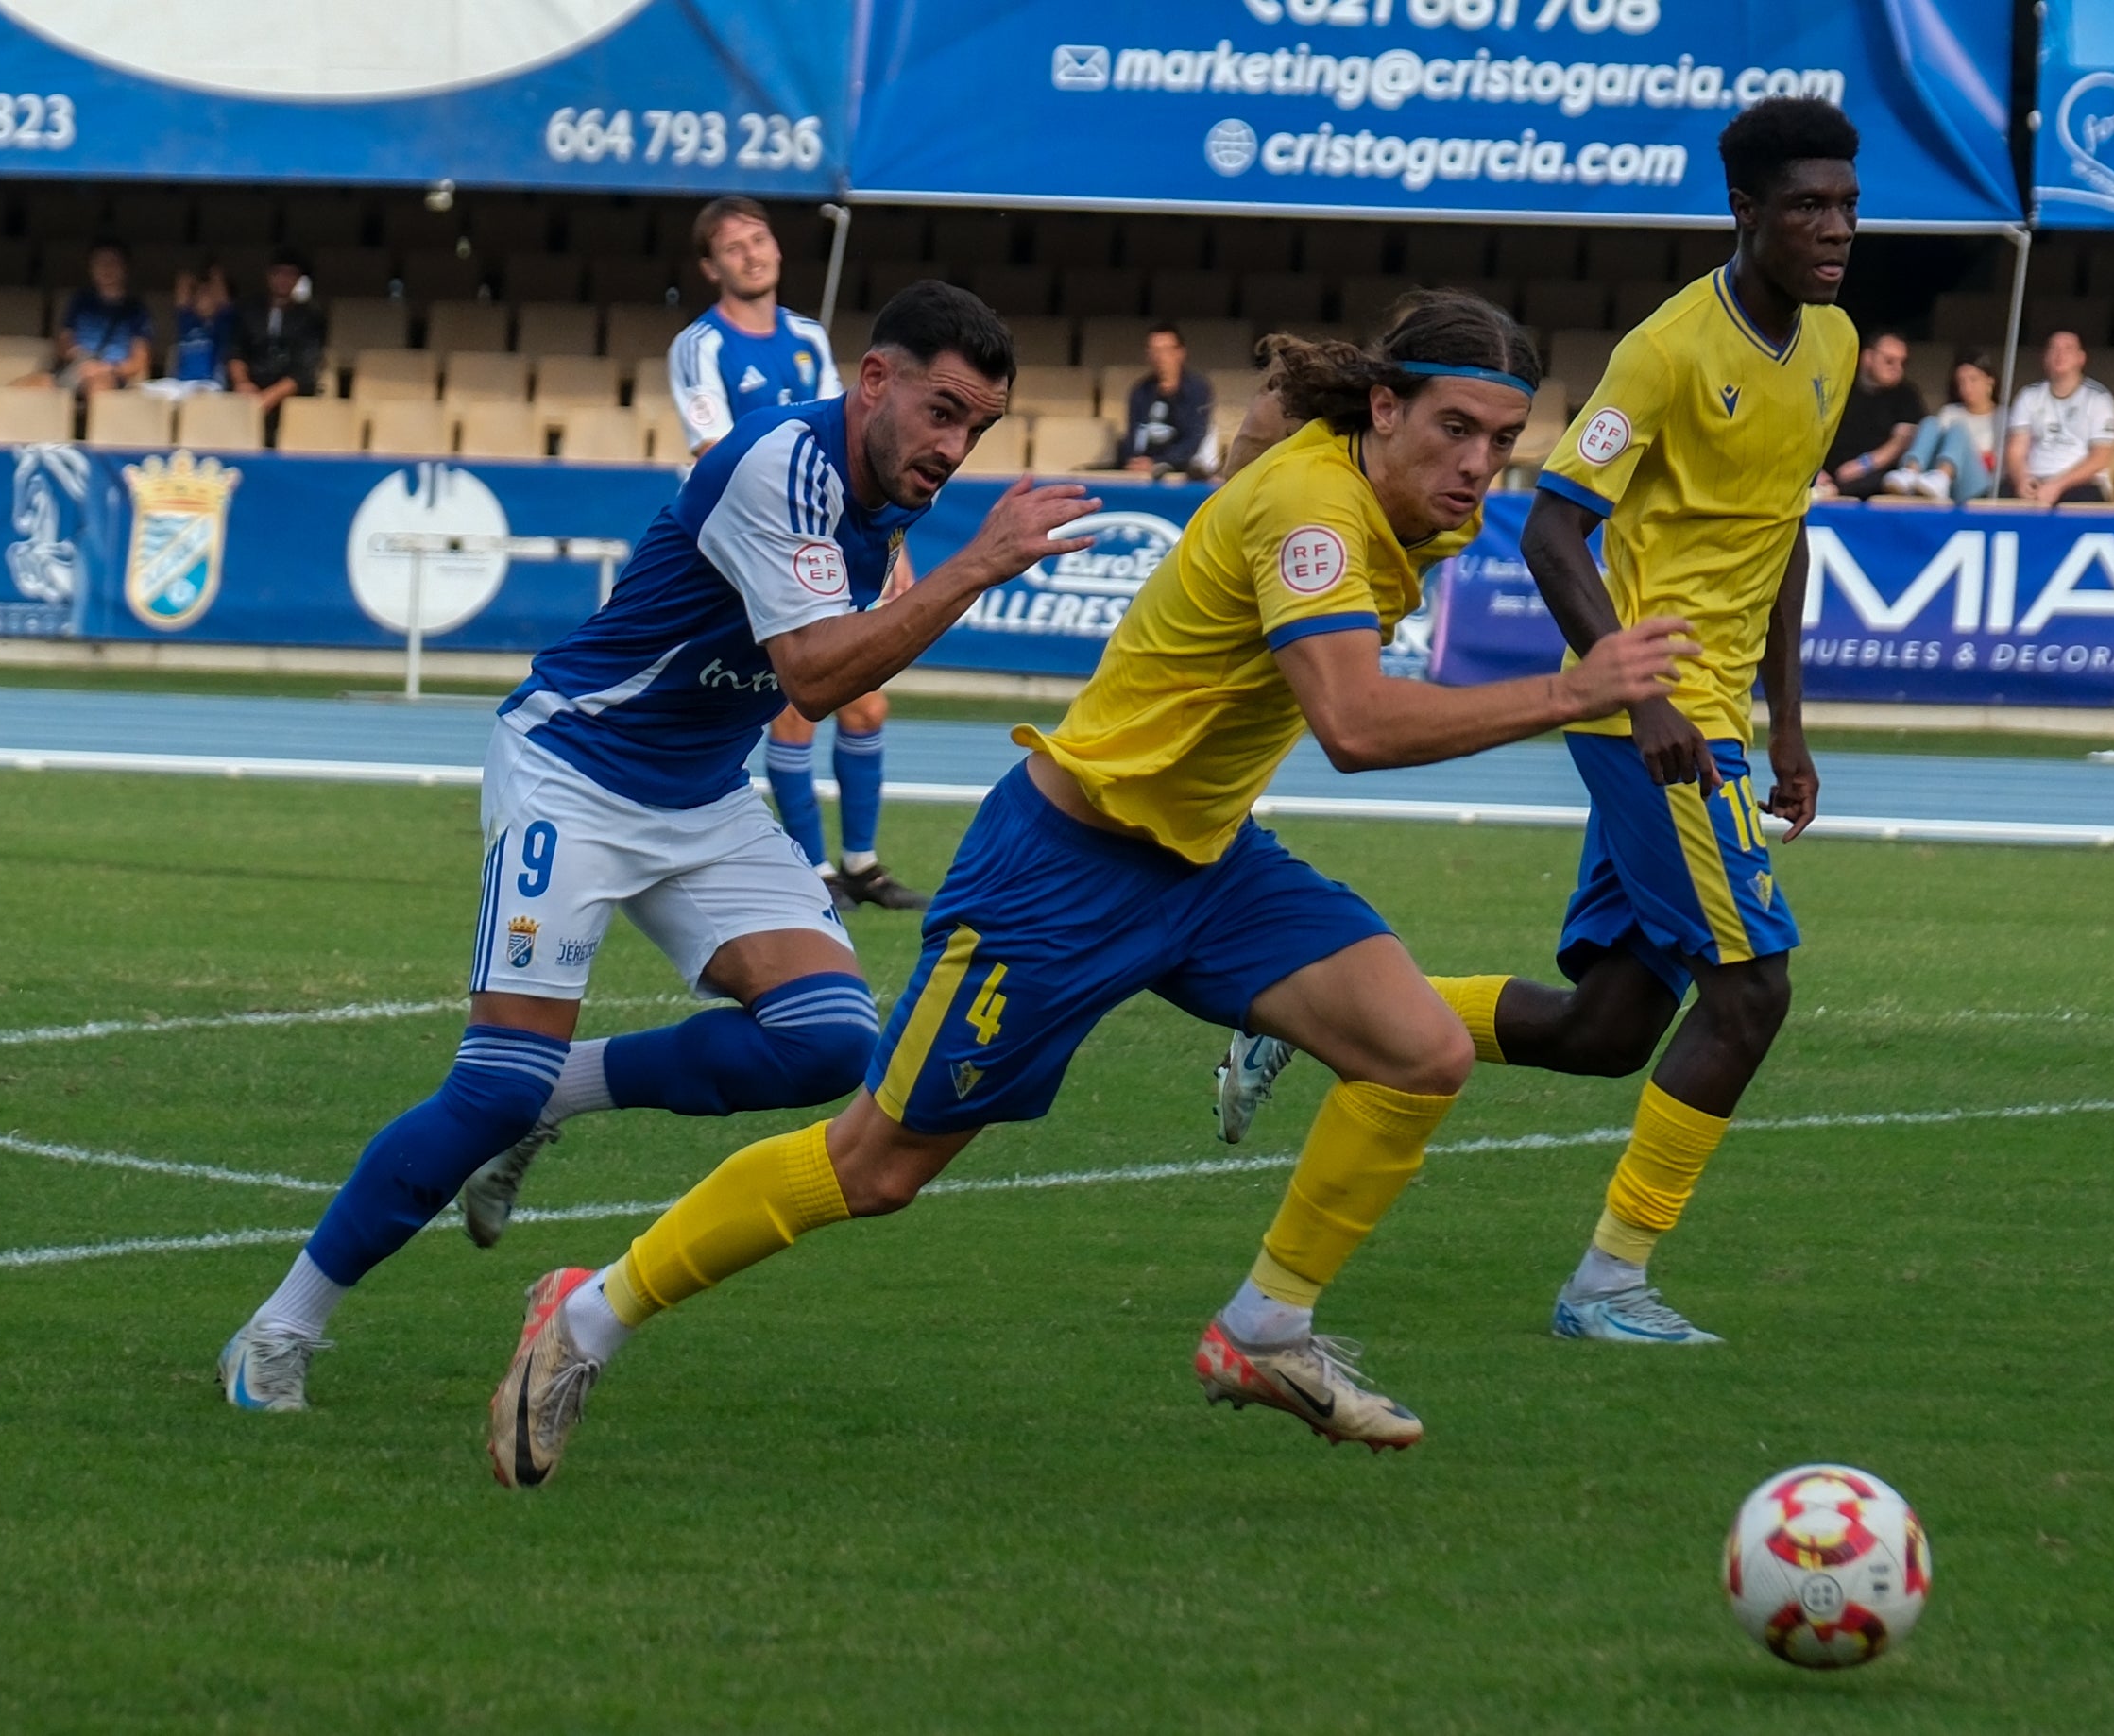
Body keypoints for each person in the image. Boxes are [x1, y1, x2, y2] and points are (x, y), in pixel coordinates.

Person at [479, 291, 1699, 1487]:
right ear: (1381, 410)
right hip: (1061, 870)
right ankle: (582, 1315)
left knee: (1417, 1050)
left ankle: (1263, 1329)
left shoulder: (1377, 484)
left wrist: (1258, 438)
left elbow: (1265, 444)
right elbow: (1355, 724)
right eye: (1454, 431)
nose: (1479, 465)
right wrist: (1571, 688)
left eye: (1501, 440)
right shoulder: (1318, 514)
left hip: (1205, 860)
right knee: (874, 1169)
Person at [217, 282, 1099, 1412]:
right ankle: (278, 1329)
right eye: (941, 411)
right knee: (489, 1083)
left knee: (830, 1040)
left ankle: (554, 1098)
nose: (953, 445)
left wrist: (944, 566)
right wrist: (977, 565)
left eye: (976, 427)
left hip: (700, 795)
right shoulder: (780, 463)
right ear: (873, 379)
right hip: (573, 773)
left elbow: (831, 664)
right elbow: (818, 678)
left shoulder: (886, 492)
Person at [1216, 97, 1858, 1351]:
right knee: (1748, 996)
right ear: (1743, 212)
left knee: (1608, 1029)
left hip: (1721, 718)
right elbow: (1556, 524)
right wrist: (1641, 690)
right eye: (1805, 207)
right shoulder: (1666, 349)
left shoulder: (1829, 343)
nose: (1834, 228)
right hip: (1658, 718)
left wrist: (1790, 727)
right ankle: (1605, 1284)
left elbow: (1779, 537)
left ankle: (1291, 1010)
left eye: (1843, 204)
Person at [669, 197, 927, 913]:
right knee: (792, 707)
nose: (752, 253)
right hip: (750, 543)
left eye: (760, 239)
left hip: (830, 536)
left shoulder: (810, 337)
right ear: (710, 265)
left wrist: (891, 539)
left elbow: (855, 441)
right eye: (733, 246)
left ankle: (863, 864)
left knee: (866, 705)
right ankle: (811, 869)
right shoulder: (701, 346)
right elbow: (715, 452)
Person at [2005, 331, 2114, 505]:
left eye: (2068, 349)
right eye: (2054, 349)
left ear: (2081, 358)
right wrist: (2022, 479)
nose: (2060, 355)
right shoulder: (2028, 395)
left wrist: (2058, 485)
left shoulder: (2098, 398)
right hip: (2035, 479)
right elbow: (2016, 450)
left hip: (2082, 484)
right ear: (2045, 358)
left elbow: (2101, 457)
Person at [22, 240, 148, 395]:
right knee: (25, 387)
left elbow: (138, 361)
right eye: (99, 263)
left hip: (110, 374)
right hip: (76, 367)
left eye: (112, 263)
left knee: (97, 388)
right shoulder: (80, 301)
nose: (106, 268)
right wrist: (74, 353)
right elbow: (64, 341)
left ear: (124, 268)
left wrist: (105, 368)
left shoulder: (136, 310)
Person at [1880, 349, 1999, 502]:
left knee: (1958, 429)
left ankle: (1942, 477)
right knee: (1930, 422)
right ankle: (1909, 473)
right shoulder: (1950, 412)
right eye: (1961, 381)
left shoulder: (2003, 417)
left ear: (1990, 381)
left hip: (1980, 485)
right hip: (1945, 484)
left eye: (1973, 379)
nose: (1966, 388)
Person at [1817, 330, 1919, 499]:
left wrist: (1864, 464)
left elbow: (1902, 440)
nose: (1897, 369)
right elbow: (1809, 432)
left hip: (1875, 475)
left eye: (1903, 363)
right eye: (1889, 361)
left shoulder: (1906, 394)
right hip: (1826, 473)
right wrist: (1815, 472)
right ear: (1867, 357)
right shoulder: (1837, 386)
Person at [230, 249, 325, 414]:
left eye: (290, 274)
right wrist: (242, 383)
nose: (283, 279)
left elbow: (305, 366)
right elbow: (235, 351)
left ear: (298, 279)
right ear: (269, 275)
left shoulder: (311, 316)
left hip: (291, 392)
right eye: (279, 273)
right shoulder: (248, 310)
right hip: (251, 385)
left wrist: (270, 396)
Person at [1120, 322, 1215, 477]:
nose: (1160, 357)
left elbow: (1193, 439)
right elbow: (1133, 435)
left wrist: (1158, 462)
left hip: (1179, 466)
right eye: (1154, 351)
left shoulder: (1198, 389)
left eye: (1166, 350)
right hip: (1142, 466)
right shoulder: (1140, 391)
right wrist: (1134, 460)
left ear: (1180, 353)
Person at [141, 263, 234, 399]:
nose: (202, 298)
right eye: (199, 294)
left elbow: (222, 293)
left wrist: (213, 272)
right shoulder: (188, 322)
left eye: (207, 294)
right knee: (140, 391)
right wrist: (194, 277)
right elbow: (182, 283)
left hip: (209, 384)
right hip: (180, 384)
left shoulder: (222, 323)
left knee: (199, 396)